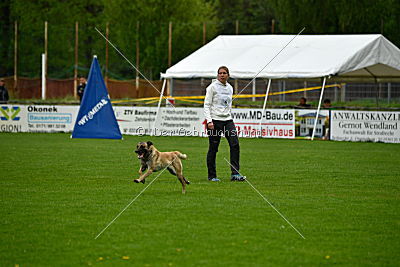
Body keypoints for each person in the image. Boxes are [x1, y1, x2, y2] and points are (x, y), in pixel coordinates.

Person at [204, 66, 246, 182]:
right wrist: (209, 121)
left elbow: (228, 105)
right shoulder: (212, 87)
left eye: (224, 73)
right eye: (220, 73)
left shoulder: (230, 88)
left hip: (227, 120)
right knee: (213, 148)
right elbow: (207, 105)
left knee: (235, 144)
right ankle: (212, 176)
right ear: (218, 75)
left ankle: (235, 174)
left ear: (228, 75)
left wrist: (229, 116)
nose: (222, 75)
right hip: (215, 120)